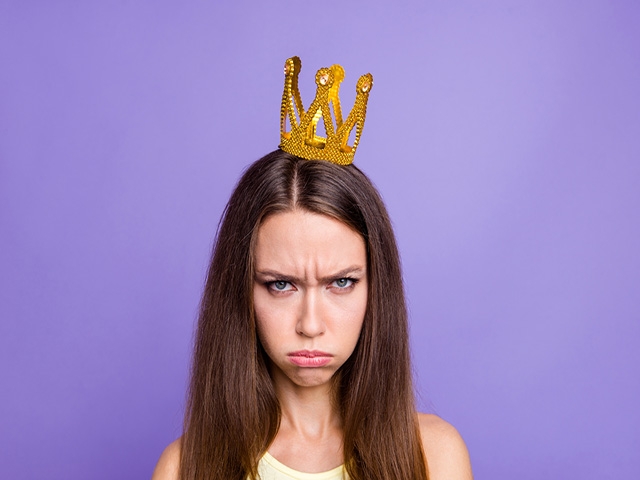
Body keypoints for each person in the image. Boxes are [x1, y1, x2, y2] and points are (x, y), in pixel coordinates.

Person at [152, 58, 472, 480]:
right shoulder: (184, 468)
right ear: (240, 290)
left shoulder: (435, 456)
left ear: (376, 289)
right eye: (281, 285)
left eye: (341, 282)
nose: (310, 325)